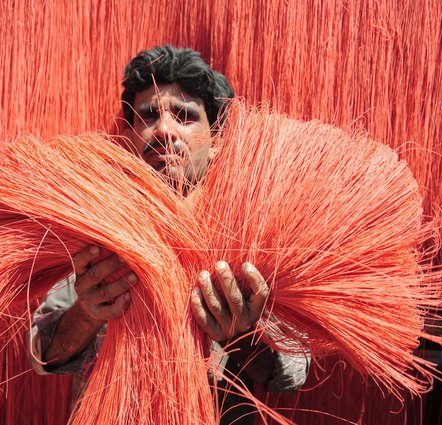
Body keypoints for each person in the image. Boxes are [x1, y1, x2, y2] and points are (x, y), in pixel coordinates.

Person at [29, 45, 310, 424]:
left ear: (216, 143)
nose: (164, 129)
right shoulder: (93, 229)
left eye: (185, 116)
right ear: (130, 138)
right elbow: (42, 355)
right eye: (148, 116)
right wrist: (85, 314)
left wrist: (239, 336)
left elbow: (292, 371)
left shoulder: (254, 235)